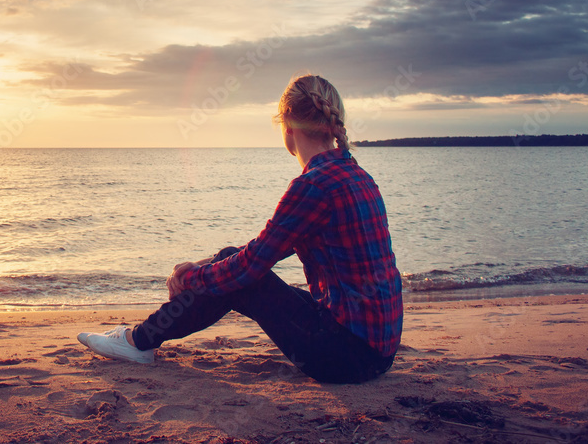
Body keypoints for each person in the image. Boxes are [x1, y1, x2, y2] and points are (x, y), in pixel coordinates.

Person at [77, 74, 402, 384]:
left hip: (345, 357)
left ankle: (139, 341)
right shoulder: (356, 175)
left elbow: (249, 267)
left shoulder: (313, 184)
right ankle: (141, 340)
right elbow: (268, 247)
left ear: (287, 126)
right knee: (234, 262)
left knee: (242, 277)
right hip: (377, 353)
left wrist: (189, 278)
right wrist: (205, 264)